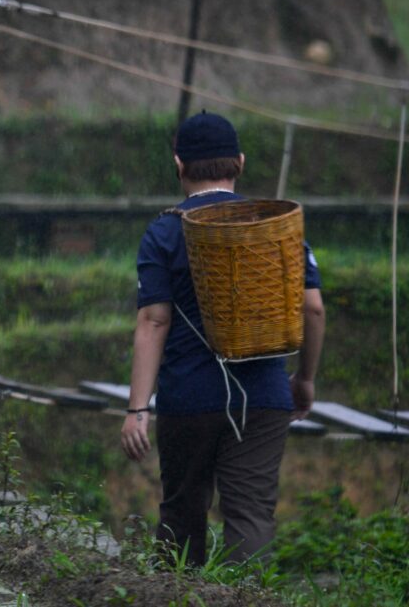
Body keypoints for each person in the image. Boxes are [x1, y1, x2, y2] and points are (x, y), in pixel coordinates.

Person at [120, 110, 325, 566]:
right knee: (251, 515)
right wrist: (304, 379)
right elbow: (312, 308)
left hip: (189, 396)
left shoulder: (164, 232)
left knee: (182, 512)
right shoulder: (276, 228)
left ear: (179, 165)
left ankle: (175, 598)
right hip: (264, 396)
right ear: (240, 162)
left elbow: (154, 321)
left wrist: (138, 409)